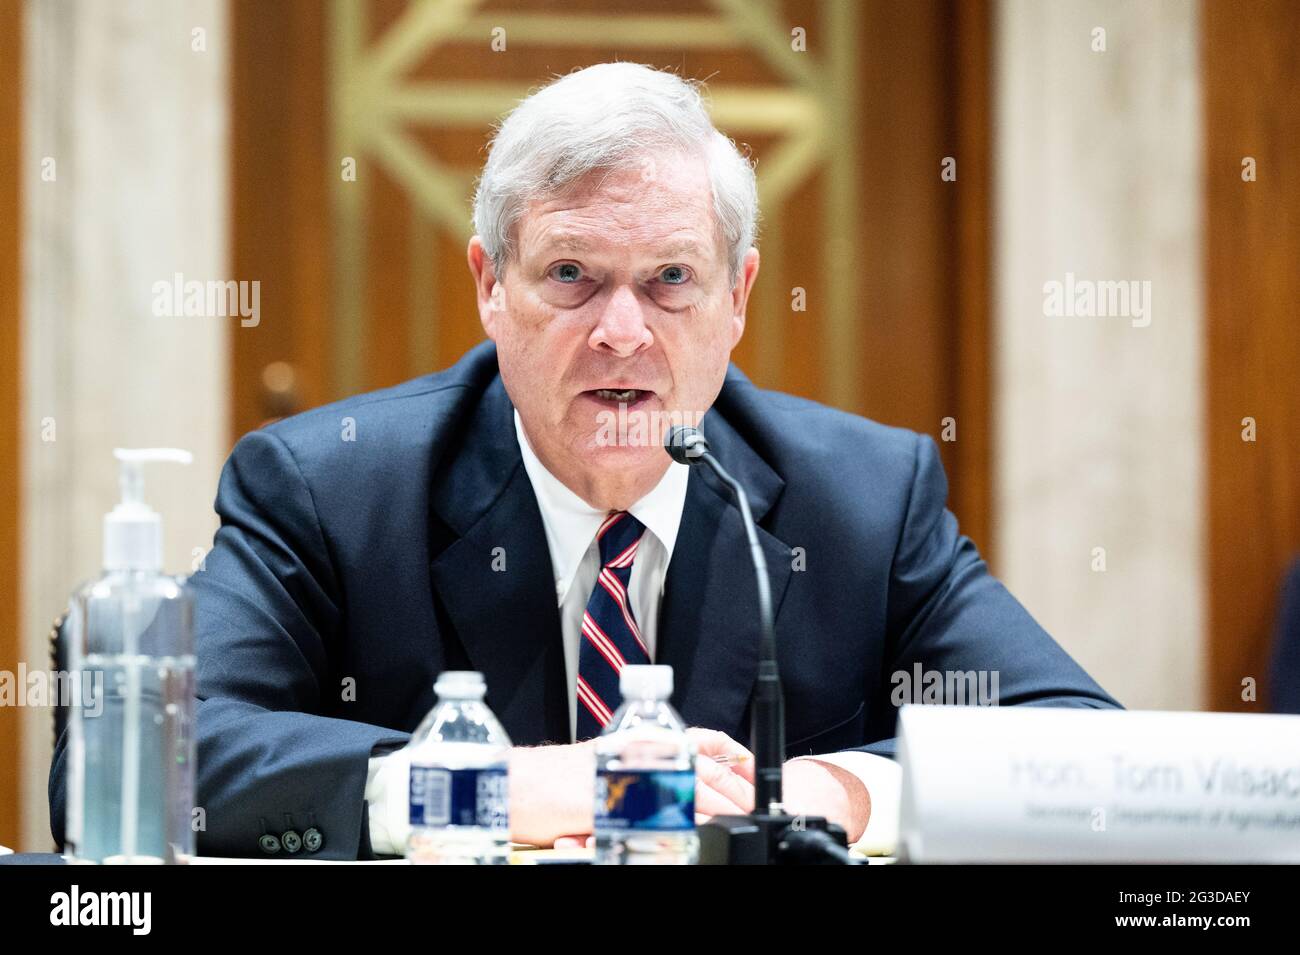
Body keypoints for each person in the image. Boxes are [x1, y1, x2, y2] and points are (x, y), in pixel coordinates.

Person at [50, 62, 1120, 859]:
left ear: (737, 297)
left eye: (668, 279)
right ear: (488, 284)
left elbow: (1076, 746)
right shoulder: (331, 488)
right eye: (569, 273)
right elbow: (141, 767)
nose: (621, 332)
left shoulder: (863, 497)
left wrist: (835, 792)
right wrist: (513, 788)